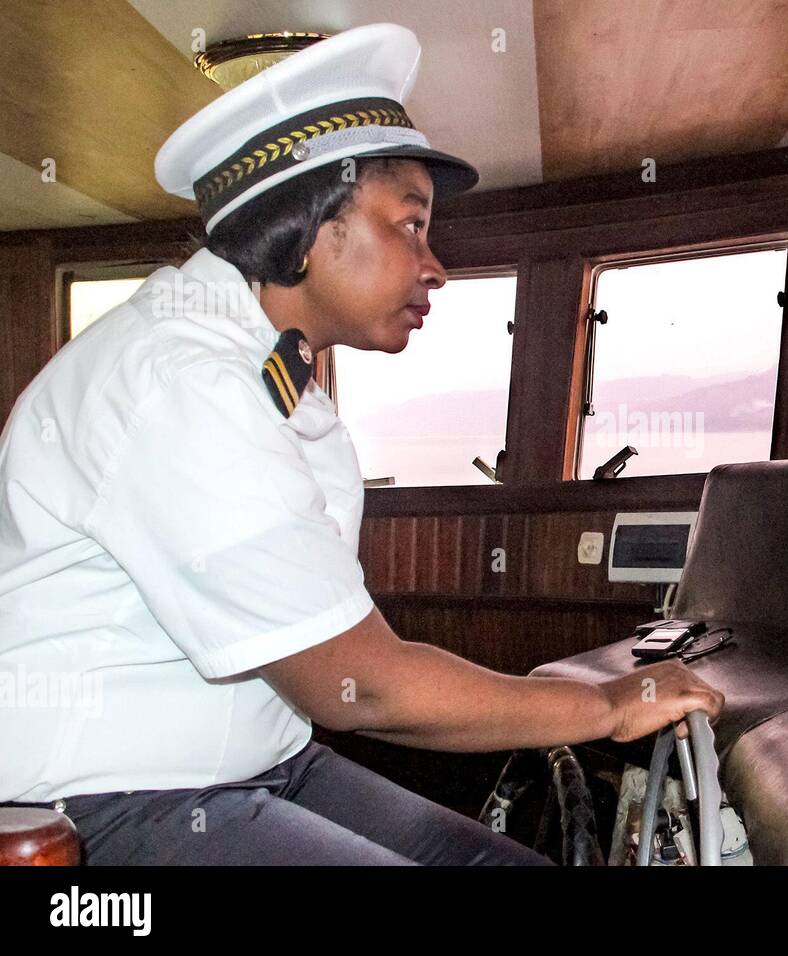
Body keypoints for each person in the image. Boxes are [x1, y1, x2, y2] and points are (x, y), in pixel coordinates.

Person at [0, 23, 723, 865]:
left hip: (261, 763)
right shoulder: (178, 376)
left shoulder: (264, 370)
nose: (435, 266)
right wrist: (604, 706)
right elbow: (361, 683)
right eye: (410, 226)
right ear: (306, 231)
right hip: (105, 795)